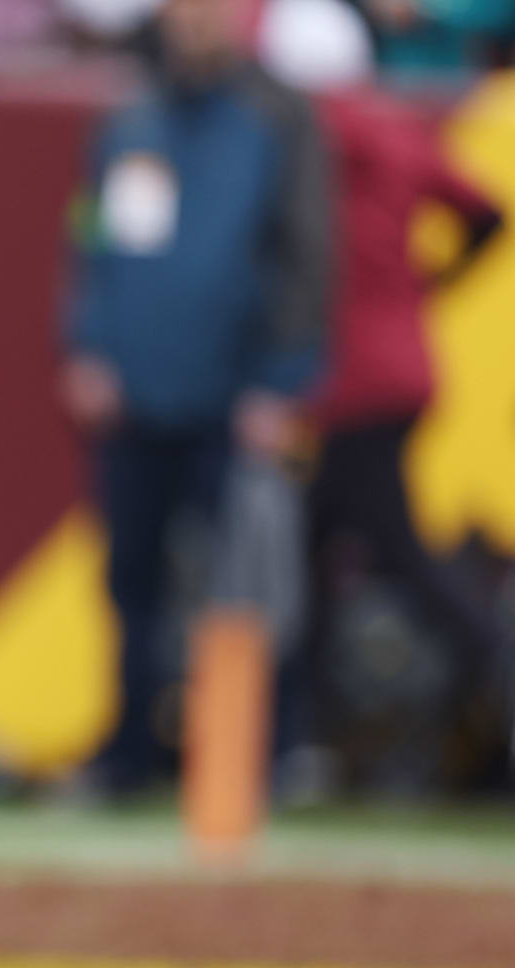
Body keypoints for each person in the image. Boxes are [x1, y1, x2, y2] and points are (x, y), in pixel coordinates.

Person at [60, 0, 331, 794]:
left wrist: (279, 381)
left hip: (232, 393)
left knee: (245, 581)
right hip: (138, 384)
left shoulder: (276, 120)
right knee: (132, 579)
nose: (196, 20)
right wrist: (89, 344)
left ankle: (259, 756)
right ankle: (129, 755)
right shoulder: (131, 119)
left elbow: (306, 255)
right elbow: (90, 237)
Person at [260, 0, 511, 782]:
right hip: (399, 366)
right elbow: (484, 211)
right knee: (315, 554)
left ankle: (301, 741)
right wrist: (428, 284)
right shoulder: (394, 126)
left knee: (388, 555)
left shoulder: (304, 134)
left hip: (345, 380)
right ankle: (299, 740)